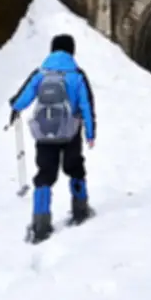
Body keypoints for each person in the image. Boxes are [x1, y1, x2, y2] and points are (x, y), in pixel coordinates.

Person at [9, 33, 96, 242]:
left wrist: (14, 109)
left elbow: (22, 99)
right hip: (70, 132)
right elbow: (86, 106)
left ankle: (41, 223)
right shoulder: (77, 75)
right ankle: (80, 209)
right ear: (71, 51)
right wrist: (91, 134)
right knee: (74, 168)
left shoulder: (40, 74)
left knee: (45, 174)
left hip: (45, 133)